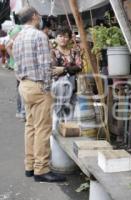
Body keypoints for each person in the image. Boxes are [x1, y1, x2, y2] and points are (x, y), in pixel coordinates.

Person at [13, 6, 66, 182]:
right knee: (42, 129)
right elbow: (44, 66)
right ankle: (41, 170)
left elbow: (16, 64)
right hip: (38, 86)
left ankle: (30, 166)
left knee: (30, 127)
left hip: (24, 85)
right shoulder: (39, 36)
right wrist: (47, 86)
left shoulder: (18, 36)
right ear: (35, 16)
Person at [51, 27, 82, 130]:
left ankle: (68, 131)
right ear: (55, 38)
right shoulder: (53, 52)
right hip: (58, 87)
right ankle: (56, 133)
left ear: (69, 39)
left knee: (70, 110)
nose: (63, 38)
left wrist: (63, 69)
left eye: (66, 36)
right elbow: (54, 69)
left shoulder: (73, 52)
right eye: (60, 36)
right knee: (58, 110)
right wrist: (70, 69)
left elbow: (79, 67)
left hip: (73, 86)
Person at [5, 25, 26, 121]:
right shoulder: (19, 31)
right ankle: (21, 111)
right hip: (19, 65)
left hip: (20, 64)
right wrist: (15, 57)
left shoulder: (20, 30)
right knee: (21, 87)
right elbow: (8, 46)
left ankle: (20, 111)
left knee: (20, 87)